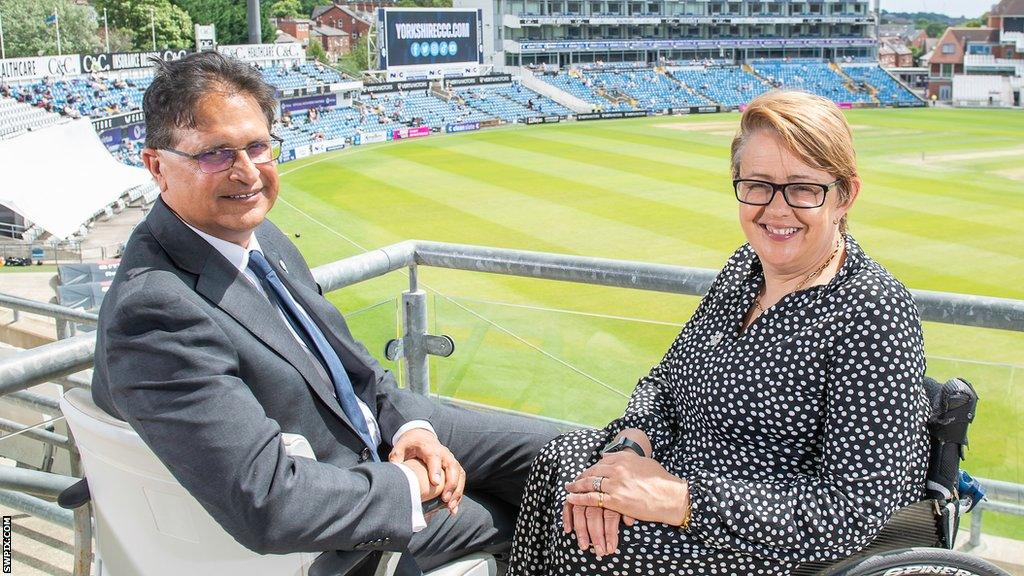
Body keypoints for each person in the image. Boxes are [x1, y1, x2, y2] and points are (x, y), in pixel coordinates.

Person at [91, 51, 557, 574]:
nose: (247, 173)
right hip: (344, 499)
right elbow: (268, 500)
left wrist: (413, 432)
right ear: (157, 166)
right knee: (541, 512)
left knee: (571, 457)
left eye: (257, 147)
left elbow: (357, 369)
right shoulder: (154, 310)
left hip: (381, 435)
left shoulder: (259, 234)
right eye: (217, 154)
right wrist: (409, 482)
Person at [507, 90, 930, 575]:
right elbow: (665, 384)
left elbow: (850, 511)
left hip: (770, 544)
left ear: (844, 195)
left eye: (803, 188)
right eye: (757, 184)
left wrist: (679, 499)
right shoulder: (743, 270)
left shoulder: (873, 311)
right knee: (567, 470)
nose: (776, 208)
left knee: (602, 542)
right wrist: (630, 451)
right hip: (677, 477)